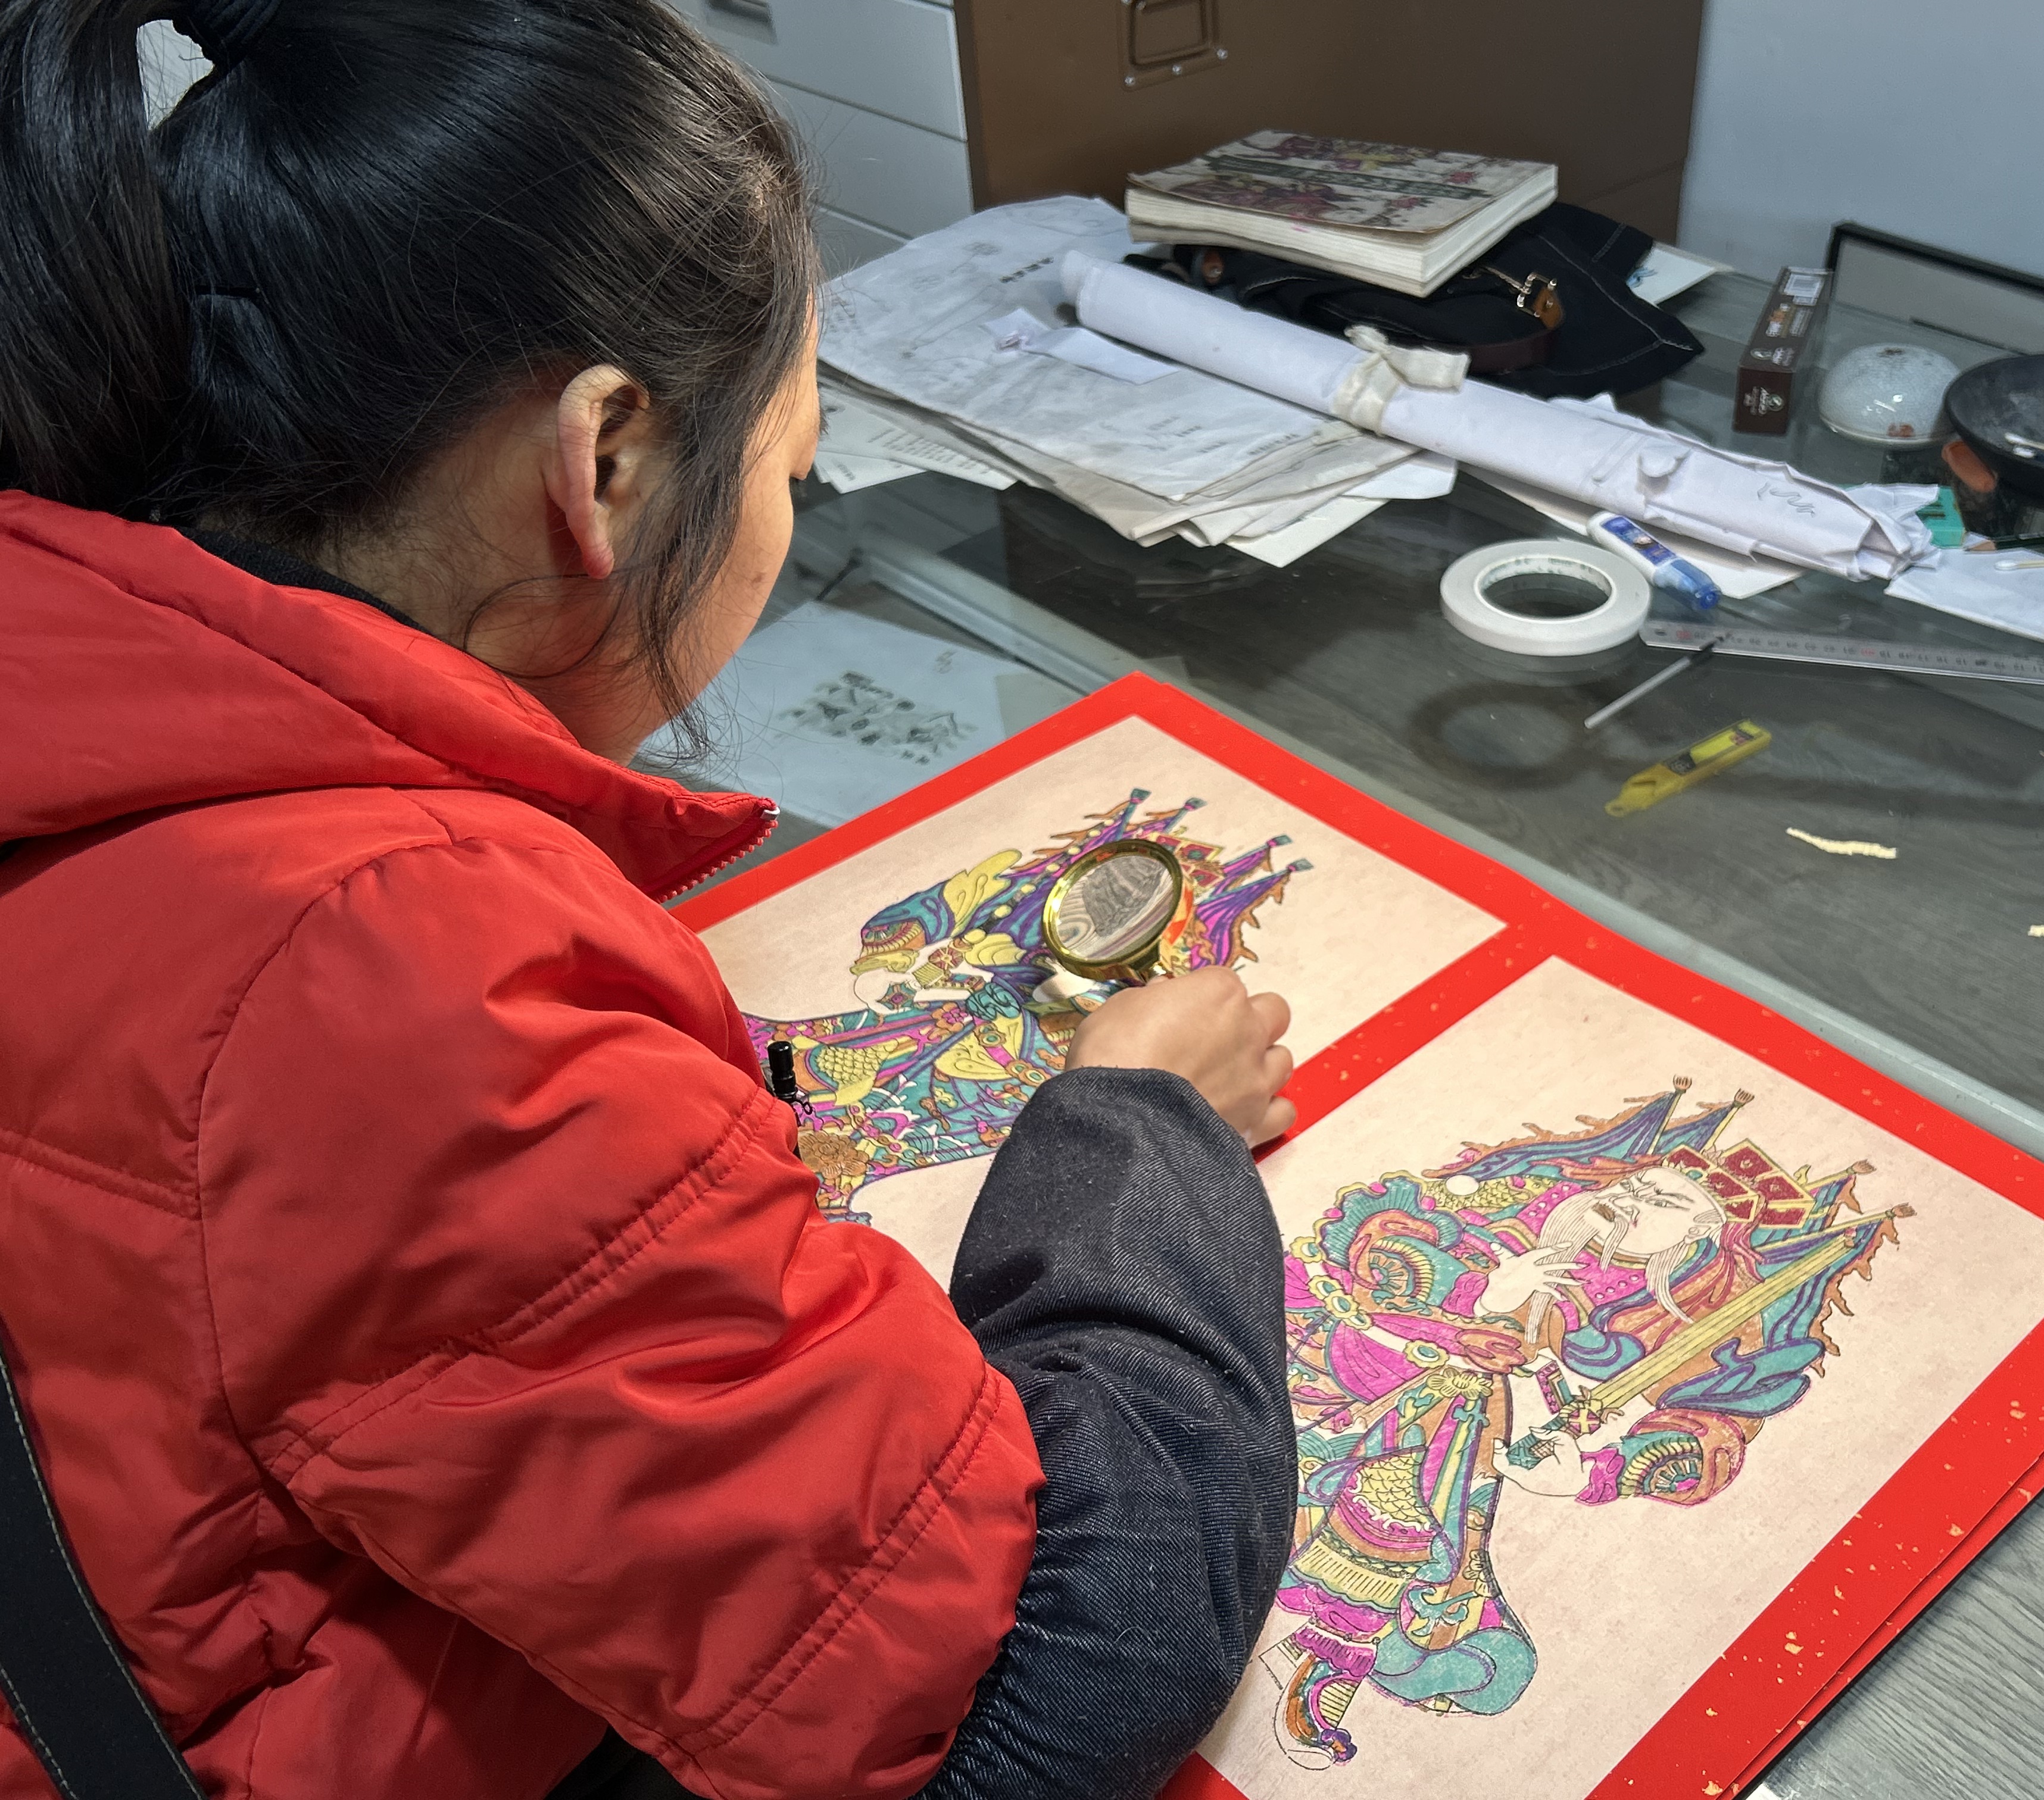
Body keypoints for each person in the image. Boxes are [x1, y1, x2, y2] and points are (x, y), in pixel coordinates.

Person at [0, 4, 1297, 1798]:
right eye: (791, 464)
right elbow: (1042, 1688)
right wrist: (1140, 1135)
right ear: (602, 459)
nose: (787, 515)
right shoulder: (395, 972)